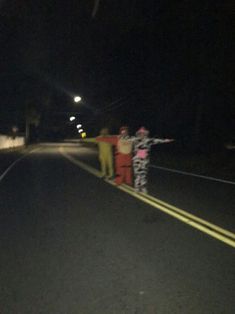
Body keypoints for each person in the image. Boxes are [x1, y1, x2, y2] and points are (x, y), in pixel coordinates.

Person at [132, 127, 174, 193]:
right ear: (138, 134)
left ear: (146, 134)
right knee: (137, 174)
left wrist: (167, 140)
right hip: (136, 160)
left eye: (144, 133)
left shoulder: (148, 140)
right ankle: (137, 187)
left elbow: (158, 140)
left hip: (144, 160)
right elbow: (125, 138)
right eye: (141, 133)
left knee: (143, 174)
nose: (142, 134)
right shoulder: (135, 139)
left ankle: (143, 187)